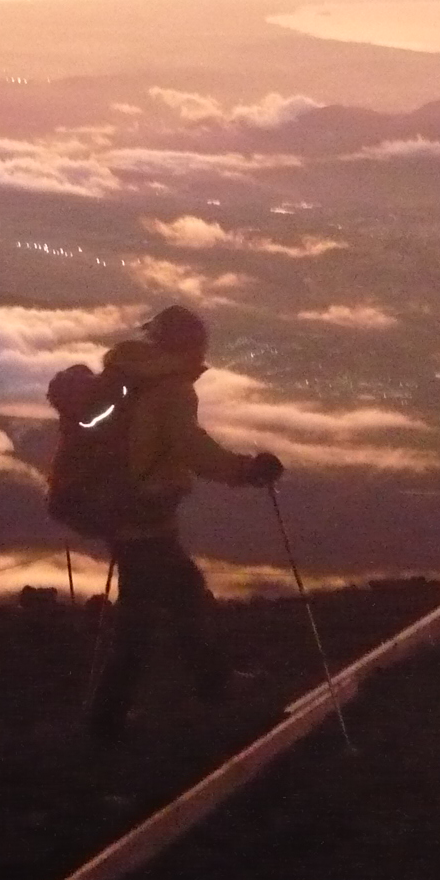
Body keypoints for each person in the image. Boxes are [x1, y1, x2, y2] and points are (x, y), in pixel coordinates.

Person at [83, 305, 283, 746]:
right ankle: (108, 720)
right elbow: (193, 448)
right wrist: (247, 471)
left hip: (126, 511)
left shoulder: (130, 377)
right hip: (146, 517)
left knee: (181, 595)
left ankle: (211, 685)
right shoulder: (171, 389)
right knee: (147, 617)